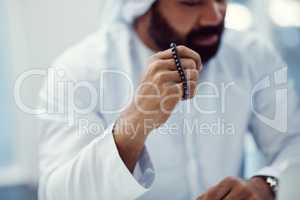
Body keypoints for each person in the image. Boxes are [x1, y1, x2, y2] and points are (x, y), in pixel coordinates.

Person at [38, 0, 300, 199]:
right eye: (191, 2)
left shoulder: (251, 55)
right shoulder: (78, 71)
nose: (214, 15)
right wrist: (134, 124)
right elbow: (59, 193)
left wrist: (266, 185)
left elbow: (293, 142)